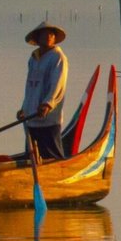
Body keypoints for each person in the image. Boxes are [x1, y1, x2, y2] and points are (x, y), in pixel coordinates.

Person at [19, 23, 70, 161]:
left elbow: (57, 85)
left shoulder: (58, 57)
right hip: (31, 118)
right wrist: (24, 108)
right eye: (45, 34)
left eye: (51, 34)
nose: (48, 36)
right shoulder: (33, 59)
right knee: (32, 158)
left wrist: (48, 104)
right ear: (38, 38)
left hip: (48, 119)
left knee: (52, 157)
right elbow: (30, 88)